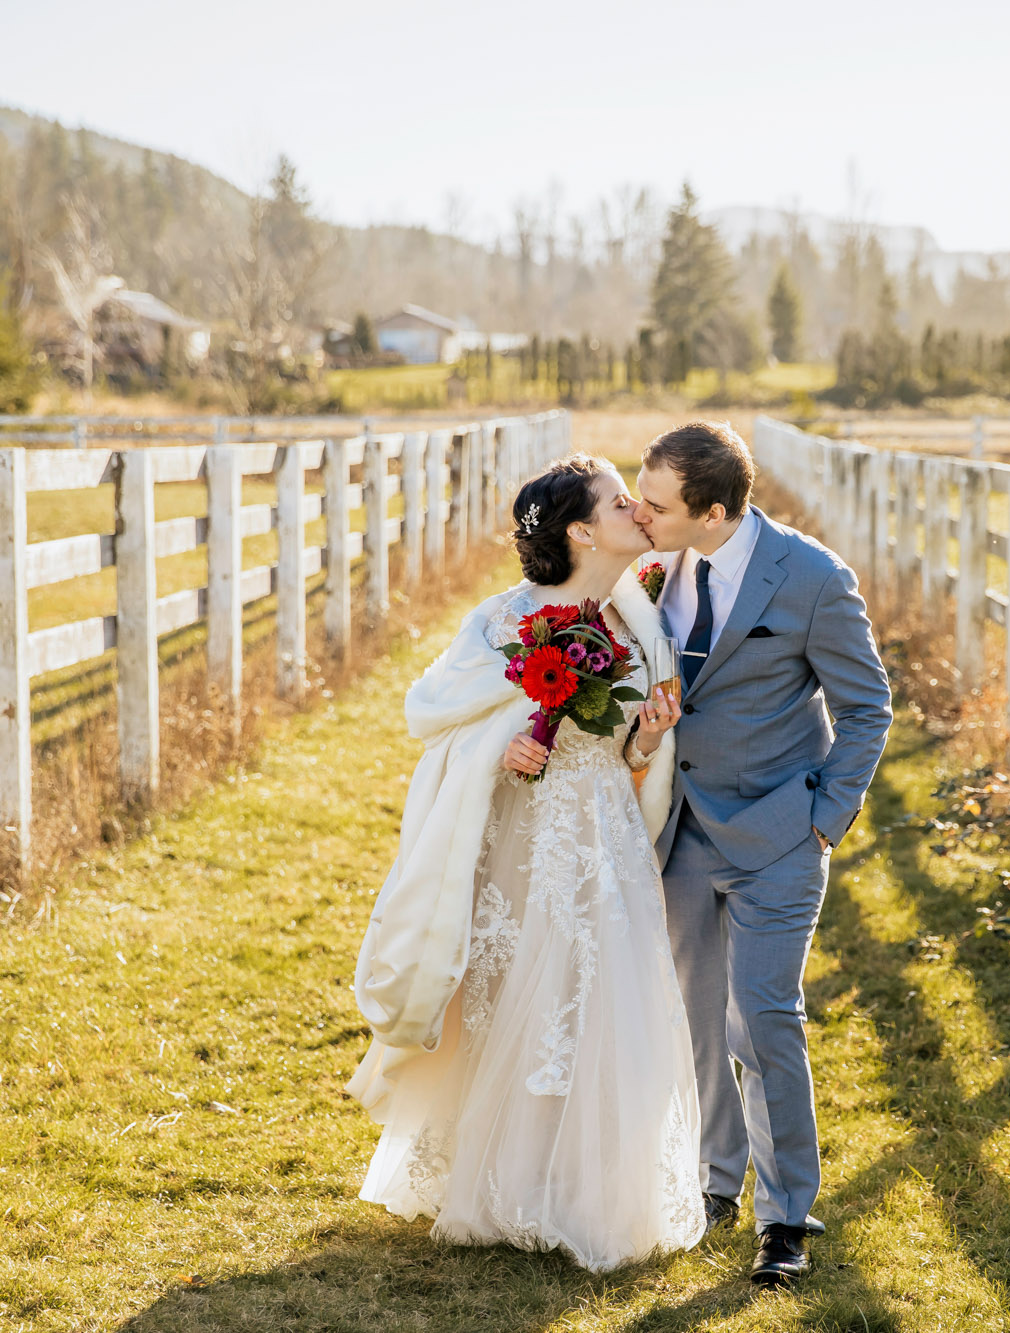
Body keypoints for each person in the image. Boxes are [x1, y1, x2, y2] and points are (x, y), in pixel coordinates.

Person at [348, 454, 703, 1273]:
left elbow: (627, 747)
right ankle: (498, 1178)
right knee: (513, 999)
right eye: (621, 501)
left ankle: (583, 1185)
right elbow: (436, 716)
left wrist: (648, 733)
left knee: (598, 998)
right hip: (522, 837)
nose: (635, 510)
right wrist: (497, 743)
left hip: (602, 832)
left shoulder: (636, 620)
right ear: (581, 529)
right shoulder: (506, 618)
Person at [631, 420, 892, 1288]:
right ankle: (714, 1182)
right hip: (679, 834)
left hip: (779, 835)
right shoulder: (649, 566)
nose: (640, 510)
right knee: (699, 1018)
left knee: (763, 1018)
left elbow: (867, 708)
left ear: (709, 511)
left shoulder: (814, 578)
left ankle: (785, 1217)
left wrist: (826, 817)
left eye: (657, 501)